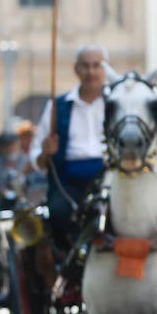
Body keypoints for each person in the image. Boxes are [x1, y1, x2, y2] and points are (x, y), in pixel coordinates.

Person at [31, 45, 108, 251]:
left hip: (110, 178)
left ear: (105, 69)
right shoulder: (58, 106)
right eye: (85, 66)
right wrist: (46, 153)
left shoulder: (117, 103)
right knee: (59, 211)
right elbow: (36, 154)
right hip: (69, 182)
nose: (91, 72)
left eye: (96, 66)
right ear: (76, 70)